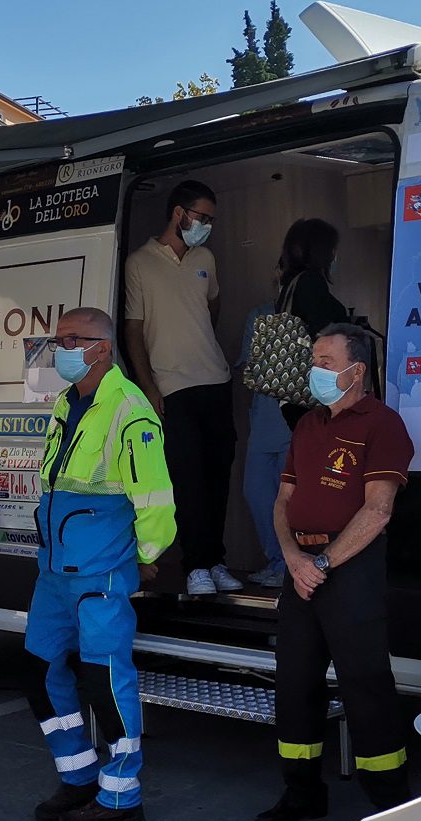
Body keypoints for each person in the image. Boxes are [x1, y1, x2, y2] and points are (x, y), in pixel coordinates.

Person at [255, 323, 414, 821]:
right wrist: (292, 558)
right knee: (294, 682)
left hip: (350, 569)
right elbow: (283, 501)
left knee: (365, 683)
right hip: (301, 568)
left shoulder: (382, 424)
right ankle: (301, 792)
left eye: (325, 362)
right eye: (314, 362)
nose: (314, 371)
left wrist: (322, 563)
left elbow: (379, 510)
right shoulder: (308, 425)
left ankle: (390, 806)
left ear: (356, 370)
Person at [25, 307, 176, 821]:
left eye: (73, 339)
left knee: (105, 681)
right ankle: (78, 775)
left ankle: (121, 796)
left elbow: (155, 498)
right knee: (40, 673)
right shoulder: (67, 402)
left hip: (100, 573)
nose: (61, 349)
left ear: (103, 348)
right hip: (55, 571)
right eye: (59, 339)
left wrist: (146, 556)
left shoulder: (130, 409)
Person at [122, 179, 239, 596]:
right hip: (171, 386)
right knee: (186, 479)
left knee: (218, 475)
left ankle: (216, 561)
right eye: (202, 217)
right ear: (178, 213)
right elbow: (133, 331)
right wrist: (148, 386)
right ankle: (196, 567)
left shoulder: (206, 257)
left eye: (211, 219)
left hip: (216, 379)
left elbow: (212, 308)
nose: (207, 225)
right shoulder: (139, 263)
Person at [236, 273, 293, 589]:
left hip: (296, 425)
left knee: (291, 500)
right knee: (257, 493)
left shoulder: (310, 314)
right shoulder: (259, 315)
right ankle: (278, 561)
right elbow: (249, 370)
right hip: (263, 422)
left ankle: (290, 565)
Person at [272, 218, 350, 430]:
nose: (334, 255)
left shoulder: (290, 285)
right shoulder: (310, 282)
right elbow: (324, 334)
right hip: (313, 394)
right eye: (332, 248)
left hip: (293, 393)